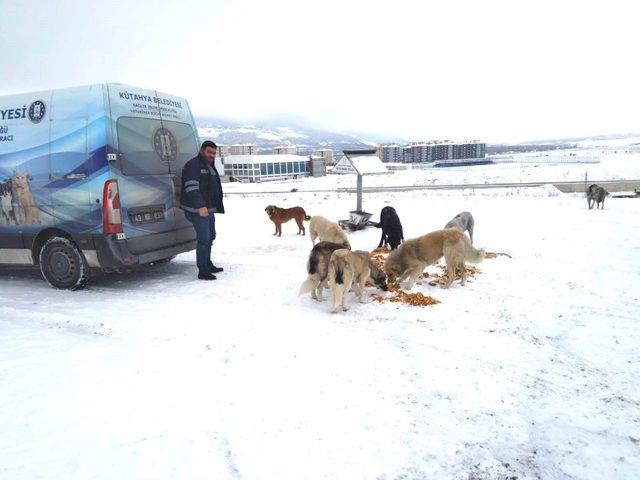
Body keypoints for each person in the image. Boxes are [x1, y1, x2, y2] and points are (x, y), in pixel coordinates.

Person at [180, 140, 225, 280]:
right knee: (204, 239)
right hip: (197, 210)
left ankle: (208, 263)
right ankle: (203, 270)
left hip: (208, 209)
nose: (212, 155)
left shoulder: (209, 165)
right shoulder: (193, 165)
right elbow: (191, 187)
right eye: (209, 152)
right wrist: (200, 206)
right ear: (202, 151)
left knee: (211, 236)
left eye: (214, 153)